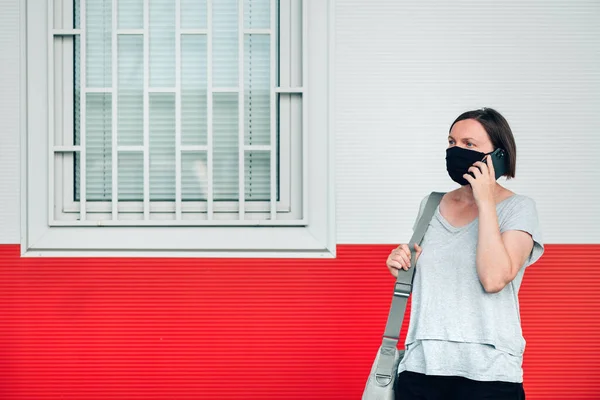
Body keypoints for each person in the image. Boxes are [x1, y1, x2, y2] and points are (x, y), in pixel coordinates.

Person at [387, 107, 544, 400]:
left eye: (469, 144)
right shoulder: (430, 205)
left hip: (490, 373)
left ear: (498, 155)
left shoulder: (519, 208)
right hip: (422, 369)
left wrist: (485, 200)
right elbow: (440, 278)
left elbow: (494, 278)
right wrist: (404, 265)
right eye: (451, 142)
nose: (456, 150)